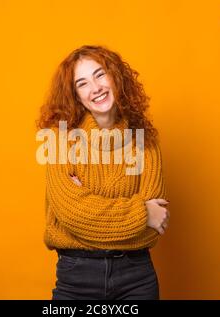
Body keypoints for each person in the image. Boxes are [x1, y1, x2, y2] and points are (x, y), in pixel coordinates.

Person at [36, 45, 170, 300]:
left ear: (115, 77)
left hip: (136, 278)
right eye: (82, 83)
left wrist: (90, 211)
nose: (95, 88)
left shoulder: (145, 139)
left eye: (100, 74)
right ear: (75, 95)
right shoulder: (61, 139)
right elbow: (71, 213)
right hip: (77, 277)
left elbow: (157, 222)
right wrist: (143, 212)